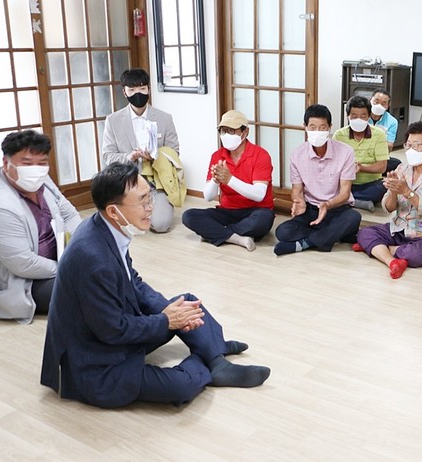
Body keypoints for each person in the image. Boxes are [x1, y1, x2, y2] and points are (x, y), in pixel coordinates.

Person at [40, 163, 270, 409]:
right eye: (143, 202)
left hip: (114, 334)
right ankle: (209, 356)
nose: (151, 207)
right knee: (180, 385)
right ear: (114, 211)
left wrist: (170, 313)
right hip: (95, 362)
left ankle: (215, 357)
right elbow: (113, 330)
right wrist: (167, 320)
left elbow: (134, 283)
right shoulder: (93, 258)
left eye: (149, 198)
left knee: (184, 302)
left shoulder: (106, 227)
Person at [0, 131, 81, 323]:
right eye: (27, 164)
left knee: (109, 262)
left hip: (59, 259)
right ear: (6, 163)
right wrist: (70, 266)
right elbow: (24, 264)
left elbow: (69, 214)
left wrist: (83, 247)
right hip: (24, 281)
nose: (35, 169)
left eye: (42, 162)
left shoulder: (41, 179)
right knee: (87, 287)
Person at [354, 122, 422, 279]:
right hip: (399, 228)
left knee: (418, 255)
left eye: (416, 146)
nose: (411, 150)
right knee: (365, 233)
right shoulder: (402, 168)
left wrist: (406, 191)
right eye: (408, 145)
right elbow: (388, 208)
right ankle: (392, 261)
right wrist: (393, 192)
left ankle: (382, 249)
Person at [274, 104, 362, 256]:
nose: (317, 132)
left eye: (322, 128)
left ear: (330, 127)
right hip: (311, 210)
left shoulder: (345, 152)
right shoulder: (297, 155)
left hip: (337, 208)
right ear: (305, 127)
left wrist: (327, 205)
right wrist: (299, 201)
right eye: (313, 127)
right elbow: (297, 190)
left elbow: (345, 193)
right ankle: (329, 236)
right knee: (282, 231)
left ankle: (305, 243)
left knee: (353, 217)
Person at [182, 110, 274, 251]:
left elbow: (259, 194)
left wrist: (230, 180)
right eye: (223, 131)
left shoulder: (260, 155)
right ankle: (237, 238)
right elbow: (208, 197)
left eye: (231, 131)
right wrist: (215, 180)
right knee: (188, 216)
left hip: (255, 211)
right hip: (227, 211)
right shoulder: (217, 156)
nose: (226, 135)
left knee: (264, 219)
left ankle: (215, 233)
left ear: (245, 132)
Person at [102, 68, 181, 233]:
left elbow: (174, 152)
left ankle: (149, 209)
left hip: (156, 183)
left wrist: (155, 157)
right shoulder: (113, 120)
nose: (138, 93)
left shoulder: (164, 118)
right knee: (120, 225)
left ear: (149, 89)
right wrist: (129, 157)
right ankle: (137, 210)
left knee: (161, 225)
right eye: (132, 90)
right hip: (127, 183)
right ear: (124, 92)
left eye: (142, 89)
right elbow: (107, 156)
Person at [332, 95, 390, 212]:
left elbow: (382, 167)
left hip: (370, 183)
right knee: (328, 185)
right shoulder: (339, 135)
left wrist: (361, 167)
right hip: (345, 182)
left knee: (383, 187)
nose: (358, 119)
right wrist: (347, 169)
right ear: (348, 116)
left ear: (369, 116)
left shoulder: (379, 134)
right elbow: (332, 164)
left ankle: (345, 199)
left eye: (363, 116)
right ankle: (354, 200)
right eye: (354, 116)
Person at [369, 88, 402, 174]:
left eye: (383, 103)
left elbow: (389, 146)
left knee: (397, 164)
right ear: (370, 100)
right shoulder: (362, 115)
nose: (379, 105)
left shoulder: (392, 121)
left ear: (388, 106)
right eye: (376, 101)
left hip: (379, 156)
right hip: (360, 153)